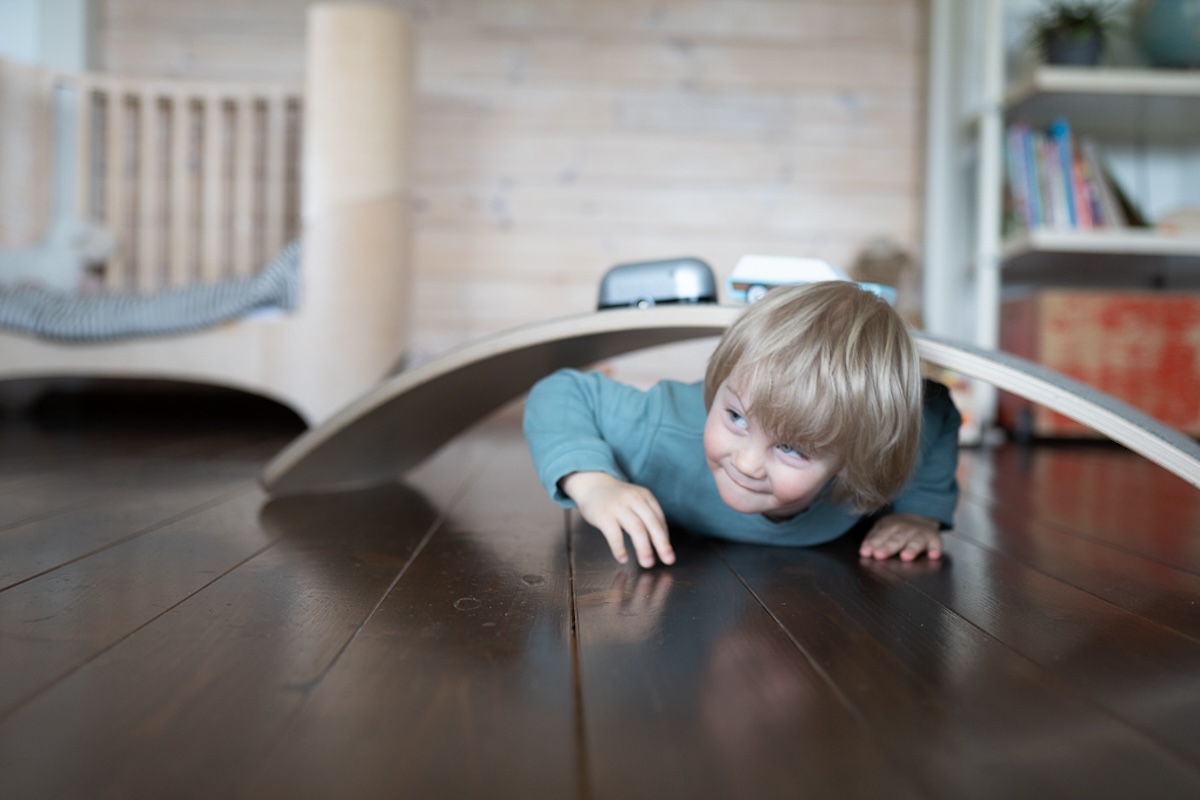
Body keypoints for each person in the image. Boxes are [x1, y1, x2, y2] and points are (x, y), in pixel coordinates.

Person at [523, 280, 961, 568]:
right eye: (735, 417)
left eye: (792, 448)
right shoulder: (660, 427)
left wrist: (922, 514)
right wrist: (594, 483)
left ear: (861, 456)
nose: (748, 463)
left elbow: (936, 408)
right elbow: (559, 392)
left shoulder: (883, 449)